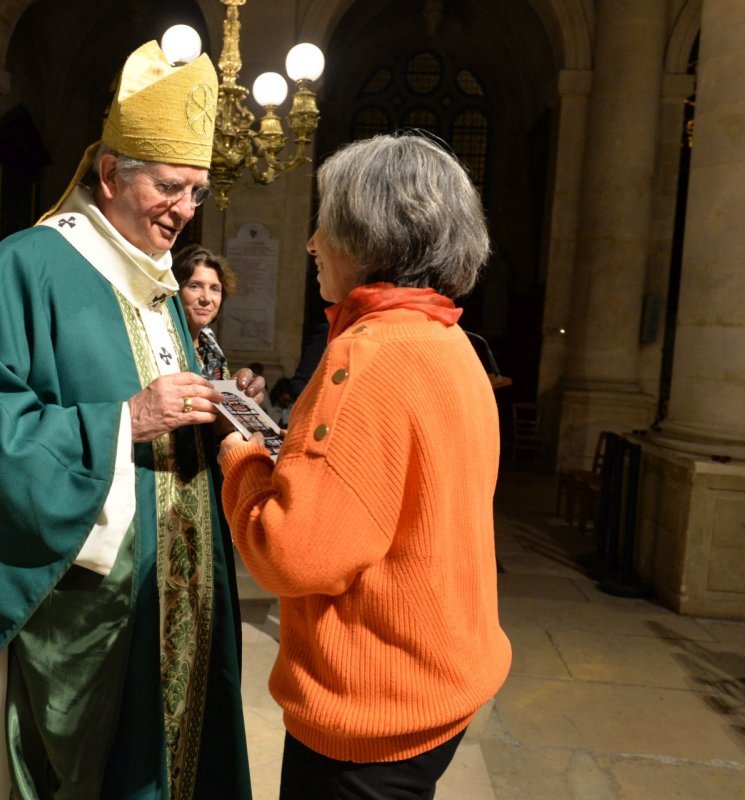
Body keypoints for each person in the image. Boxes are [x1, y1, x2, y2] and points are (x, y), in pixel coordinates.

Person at [0, 41, 262, 800]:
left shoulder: (160, 285)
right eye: (169, 186)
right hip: (88, 599)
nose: (184, 211)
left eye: (197, 191)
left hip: (181, 583)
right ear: (109, 175)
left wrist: (227, 417)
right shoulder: (29, 266)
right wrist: (121, 420)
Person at [217, 133, 512, 799]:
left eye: (324, 221)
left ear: (364, 234)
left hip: (372, 706)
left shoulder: (367, 354)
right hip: (437, 686)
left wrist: (242, 458)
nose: (311, 242)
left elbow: (290, 554)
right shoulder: (451, 341)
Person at [172, 244, 237, 380]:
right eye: (194, 286)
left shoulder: (208, 341)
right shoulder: (163, 342)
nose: (206, 298)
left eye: (214, 288)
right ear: (175, 291)